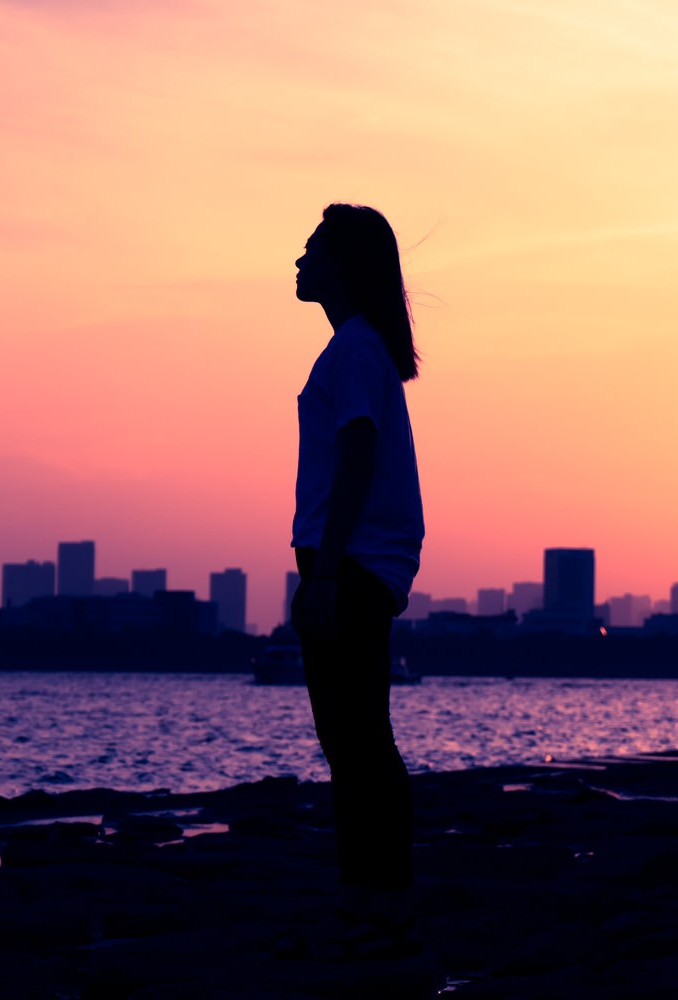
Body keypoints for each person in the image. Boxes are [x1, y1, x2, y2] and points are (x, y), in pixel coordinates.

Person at [288, 203, 425, 960]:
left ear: (342, 263)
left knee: (359, 740)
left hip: (353, 562)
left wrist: (327, 572)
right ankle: (371, 900)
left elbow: (358, 457)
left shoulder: (355, 351)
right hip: (353, 561)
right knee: (354, 739)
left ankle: (381, 903)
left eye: (312, 249)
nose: (300, 261)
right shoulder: (357, 350)